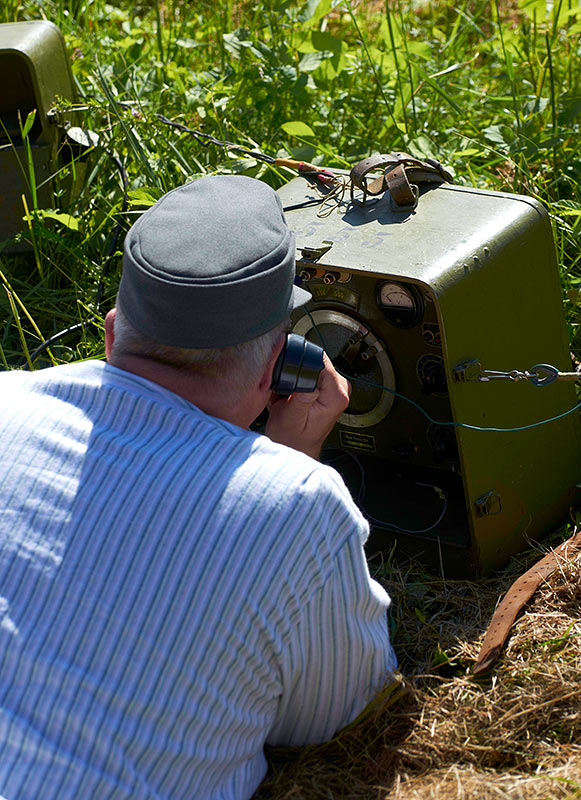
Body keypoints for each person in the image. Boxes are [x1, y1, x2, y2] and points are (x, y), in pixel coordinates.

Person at [0, 175, 397, 799]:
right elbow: (338, 712)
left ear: (110, 335)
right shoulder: (298, 506)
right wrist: (290, 458)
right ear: (279, 368)